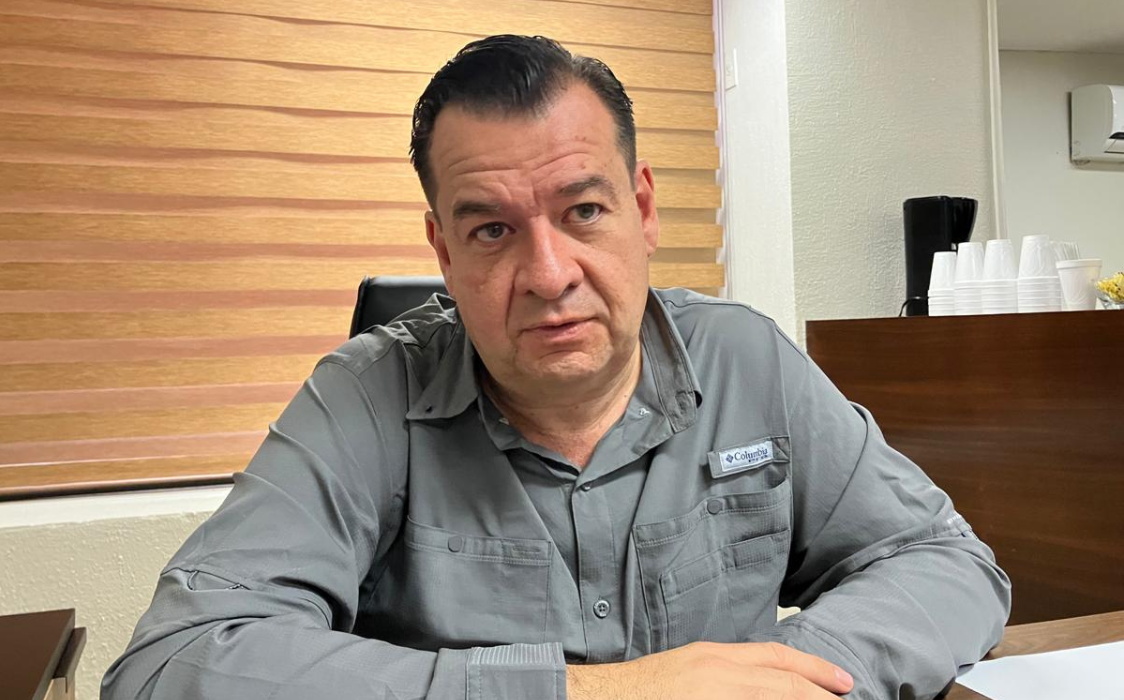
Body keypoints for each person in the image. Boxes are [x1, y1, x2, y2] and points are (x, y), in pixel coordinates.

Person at [102, 35, 1010, 700]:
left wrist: (793, 676)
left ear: (642, 209)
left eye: (582, 212)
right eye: (492, 229)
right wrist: (599, 693)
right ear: (443, 250)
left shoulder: (745, 361)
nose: (547, 274)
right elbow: (172, 663)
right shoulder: (364, 397)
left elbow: (944, 562)